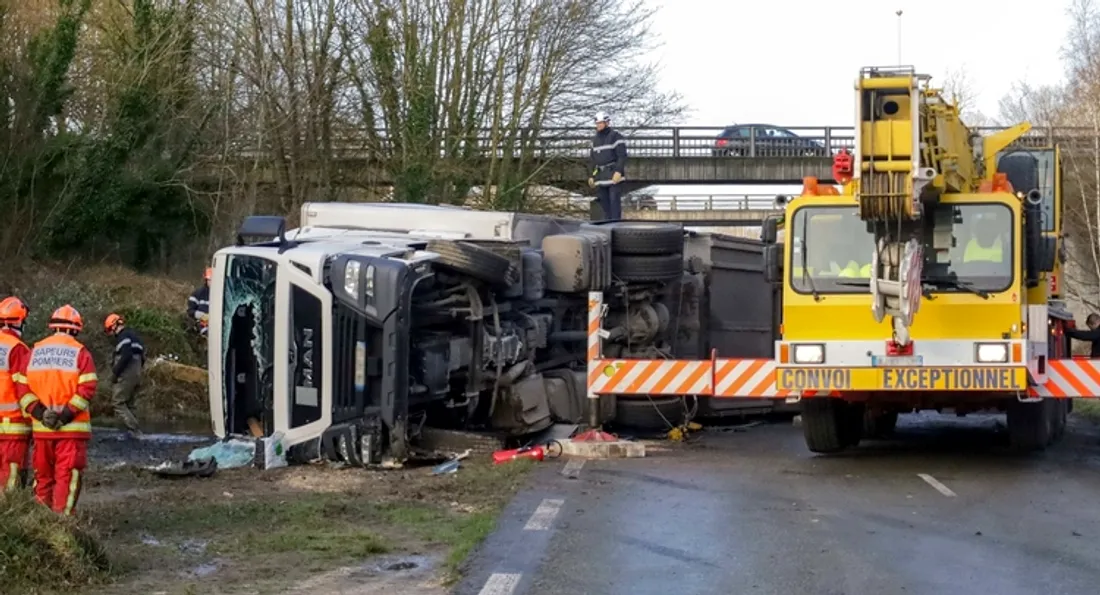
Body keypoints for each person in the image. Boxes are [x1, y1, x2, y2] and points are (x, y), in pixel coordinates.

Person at [23, 305, 97, 515]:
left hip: (41, 429)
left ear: (52, 326)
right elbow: (87, 389)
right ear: (75, 329)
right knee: (67, 476)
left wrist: (39, 412)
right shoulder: (81, 353)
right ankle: (63, 524)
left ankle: (41, 522)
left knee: (43, 476)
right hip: (71, 430)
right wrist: (65, 415)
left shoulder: (34, 351)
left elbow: (23, 388)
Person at [0, 297, 32, 491]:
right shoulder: (18, 348)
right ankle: (9, 514)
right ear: (19, 321)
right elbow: (24, 388)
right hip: (13, 424)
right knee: (12, 476)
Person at [104, 313, 145, 439]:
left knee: (118, 402)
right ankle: (133, 433)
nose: (111, 334)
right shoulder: (135, 336)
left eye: (110, 330)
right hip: (137, 371)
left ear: (114, 326)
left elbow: (126, 355)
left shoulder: (124, 337)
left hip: (127, 372)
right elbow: (143, 356)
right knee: (130, 402)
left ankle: (135, 430)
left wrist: (116, 373)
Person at [587, 111, 627, 220]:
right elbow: (592, 160)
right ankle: (607, 226)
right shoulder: (594, 140)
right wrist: (591, 175)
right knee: (604, 204)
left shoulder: (616, 136)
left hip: (614, 175)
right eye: (597, 123)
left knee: (614, 202)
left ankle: (615, 226)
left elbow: (622, 156)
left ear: (607, 123)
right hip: (600, 176)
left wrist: (618, 171)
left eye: (601, 123)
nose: (598, 125)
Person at [187, 267, 211, 336]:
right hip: (202, 325)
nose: (211, 282)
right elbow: (190, 311)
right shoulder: (198, 293)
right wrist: (200, 315)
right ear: (206, 280)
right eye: (209, 280)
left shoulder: (221, 294)